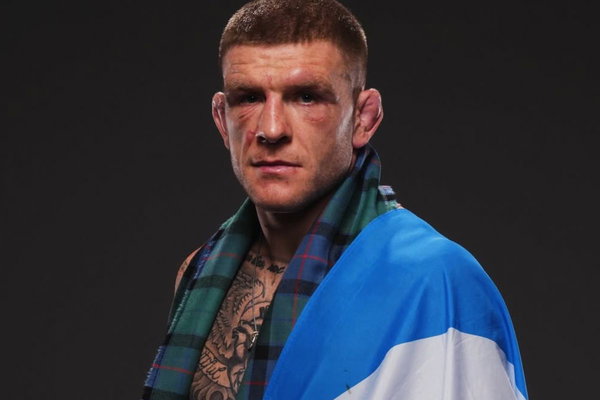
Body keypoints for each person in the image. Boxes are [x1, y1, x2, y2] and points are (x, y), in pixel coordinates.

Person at [143, 1, 528, 399]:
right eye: (250, 97)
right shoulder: (199, 272)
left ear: (364, 118)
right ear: (222, 120)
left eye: (306, 97)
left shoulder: (434, 280)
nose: (271, 129)